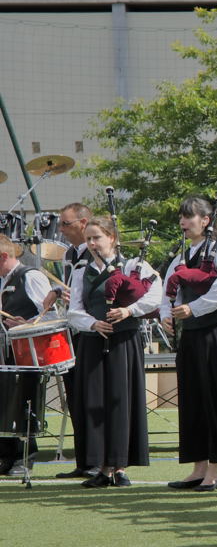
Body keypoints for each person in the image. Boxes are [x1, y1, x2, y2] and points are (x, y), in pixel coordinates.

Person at [161, 196, 217, 492]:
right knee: (193, 400)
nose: (183, 222)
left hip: (214, 332)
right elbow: (168, 287)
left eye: (189, 217)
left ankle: (214, 469)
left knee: (214, 398)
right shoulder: (183, 254)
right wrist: (166, 314)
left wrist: (193, 309)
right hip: (192, 334)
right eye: (181, 217)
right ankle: (197, 467)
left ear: (206, 220)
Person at [67, 216, 162, 487]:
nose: (92, 243)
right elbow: (74, 310)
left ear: (113, 238)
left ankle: (120, 466)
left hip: (124, 341)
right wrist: (92, 323)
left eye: (97, 237)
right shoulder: (80, 272)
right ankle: (102, 468)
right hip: (94, 341)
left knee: (122, 400)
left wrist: (128, 311)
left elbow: (155, 294)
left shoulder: (135, 266)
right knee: (95, 402)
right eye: (88, 238)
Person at [48, 203, 100, 480]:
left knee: (90, 397)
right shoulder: (71, 253)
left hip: (92, 332)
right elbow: (71, 285)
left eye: (65, 224)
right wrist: (58, 291)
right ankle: (84, 460)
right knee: (76, 396)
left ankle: (96, 460)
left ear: (83, 223)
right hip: (73, 332)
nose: (61, 230)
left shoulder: (96, 252)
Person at [0, 235, 50, 478]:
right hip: (6, 352)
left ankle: (25, 456)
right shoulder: (3, 280)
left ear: (4, 257)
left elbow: (51, 315)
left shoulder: (31, 276)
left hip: (28, 354)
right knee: (4, 403)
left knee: (22, 403)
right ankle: (6, 455)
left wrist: (25, 324)